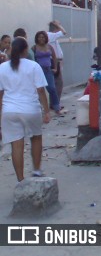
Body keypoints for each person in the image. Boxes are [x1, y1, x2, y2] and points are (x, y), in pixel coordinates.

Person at [0, 37, 51, 182]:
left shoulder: (2, 67)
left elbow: (0, 94)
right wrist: (47, 111)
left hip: (9, 110)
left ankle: (20, 180)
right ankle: (36, 170)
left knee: (16, 145)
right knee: (36, 138)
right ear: (25, 50)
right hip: (30, 109)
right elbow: (41, 90)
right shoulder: (33, 66)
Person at [33, 31, 62, 114]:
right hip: (38, 71)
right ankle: (39, 108)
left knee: (52, 89)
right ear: (37, 38)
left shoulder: (49, 46)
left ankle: (57, 107)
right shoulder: (34, 48)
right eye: (39, 37)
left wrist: (55, 68)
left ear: (46, 38)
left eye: (43, 37)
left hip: (48, 70)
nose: (41, 38)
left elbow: (54, 57)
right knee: (39, 89)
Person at [47, 21, 68, 100]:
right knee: (58, 83)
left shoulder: (52, 37)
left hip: (57, 61)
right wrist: (58, 25)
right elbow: (64, 32)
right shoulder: (51, 35)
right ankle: (55, 102)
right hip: (54, 61)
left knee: (57, 83)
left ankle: (55, 102)